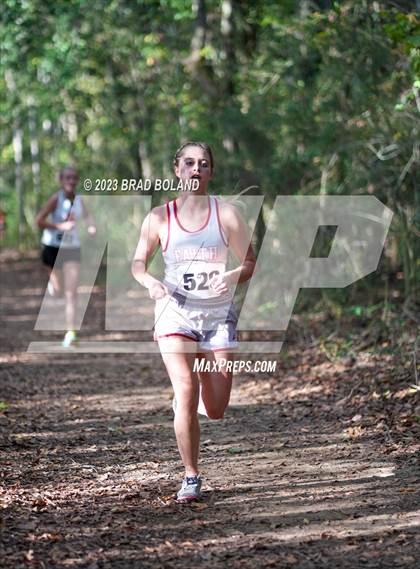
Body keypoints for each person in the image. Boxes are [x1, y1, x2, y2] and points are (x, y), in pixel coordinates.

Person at [132, 142, 256, 502]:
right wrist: (150, 281)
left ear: (211, 172)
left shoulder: (227, 215)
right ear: (177, 169)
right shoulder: (158, 217)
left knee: (215, 409)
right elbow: (138, 262)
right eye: (189, 163)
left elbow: (249, 262)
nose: (196, 169)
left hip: (216, 316)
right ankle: (191, 475)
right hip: (176, 312)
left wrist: (232, 276)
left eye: (203, 164)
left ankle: (195, 393)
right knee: (185, 390)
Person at [36, 166, 96, 347]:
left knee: (72, 293)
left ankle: (71, 332)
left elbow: (88, 217)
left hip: (71, 249)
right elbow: (39, 221)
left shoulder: (79, 200)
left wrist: (91, 227)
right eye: (67, 178)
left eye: (73, 178)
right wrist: (60, 227)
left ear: (76, 180)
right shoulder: (56, 199)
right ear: (61, 180)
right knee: (59, 291)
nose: (70, 181)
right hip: (52, 248)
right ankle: (54, 287)